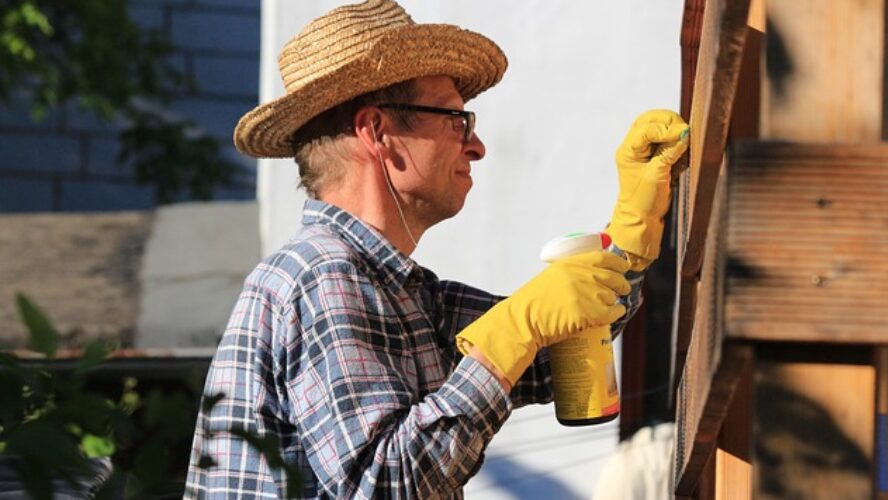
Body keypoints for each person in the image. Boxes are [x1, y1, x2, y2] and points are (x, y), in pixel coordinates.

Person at [184, 0, 689, 498]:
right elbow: (386, 485)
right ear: (377, 132)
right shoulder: (323, 275)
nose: (475, 145)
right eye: (454, 119)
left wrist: (629, 235)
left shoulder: (399, 291)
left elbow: (564, 346)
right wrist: (511, 333)